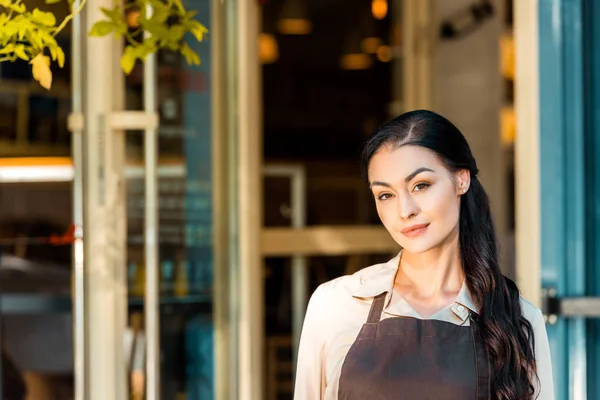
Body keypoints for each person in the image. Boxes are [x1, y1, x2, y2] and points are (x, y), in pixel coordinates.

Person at [293, 110, 554, 400]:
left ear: (461, 181)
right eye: (385, 195)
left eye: (421, 186)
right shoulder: (335, 305)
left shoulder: (516, 316)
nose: (405, 211)